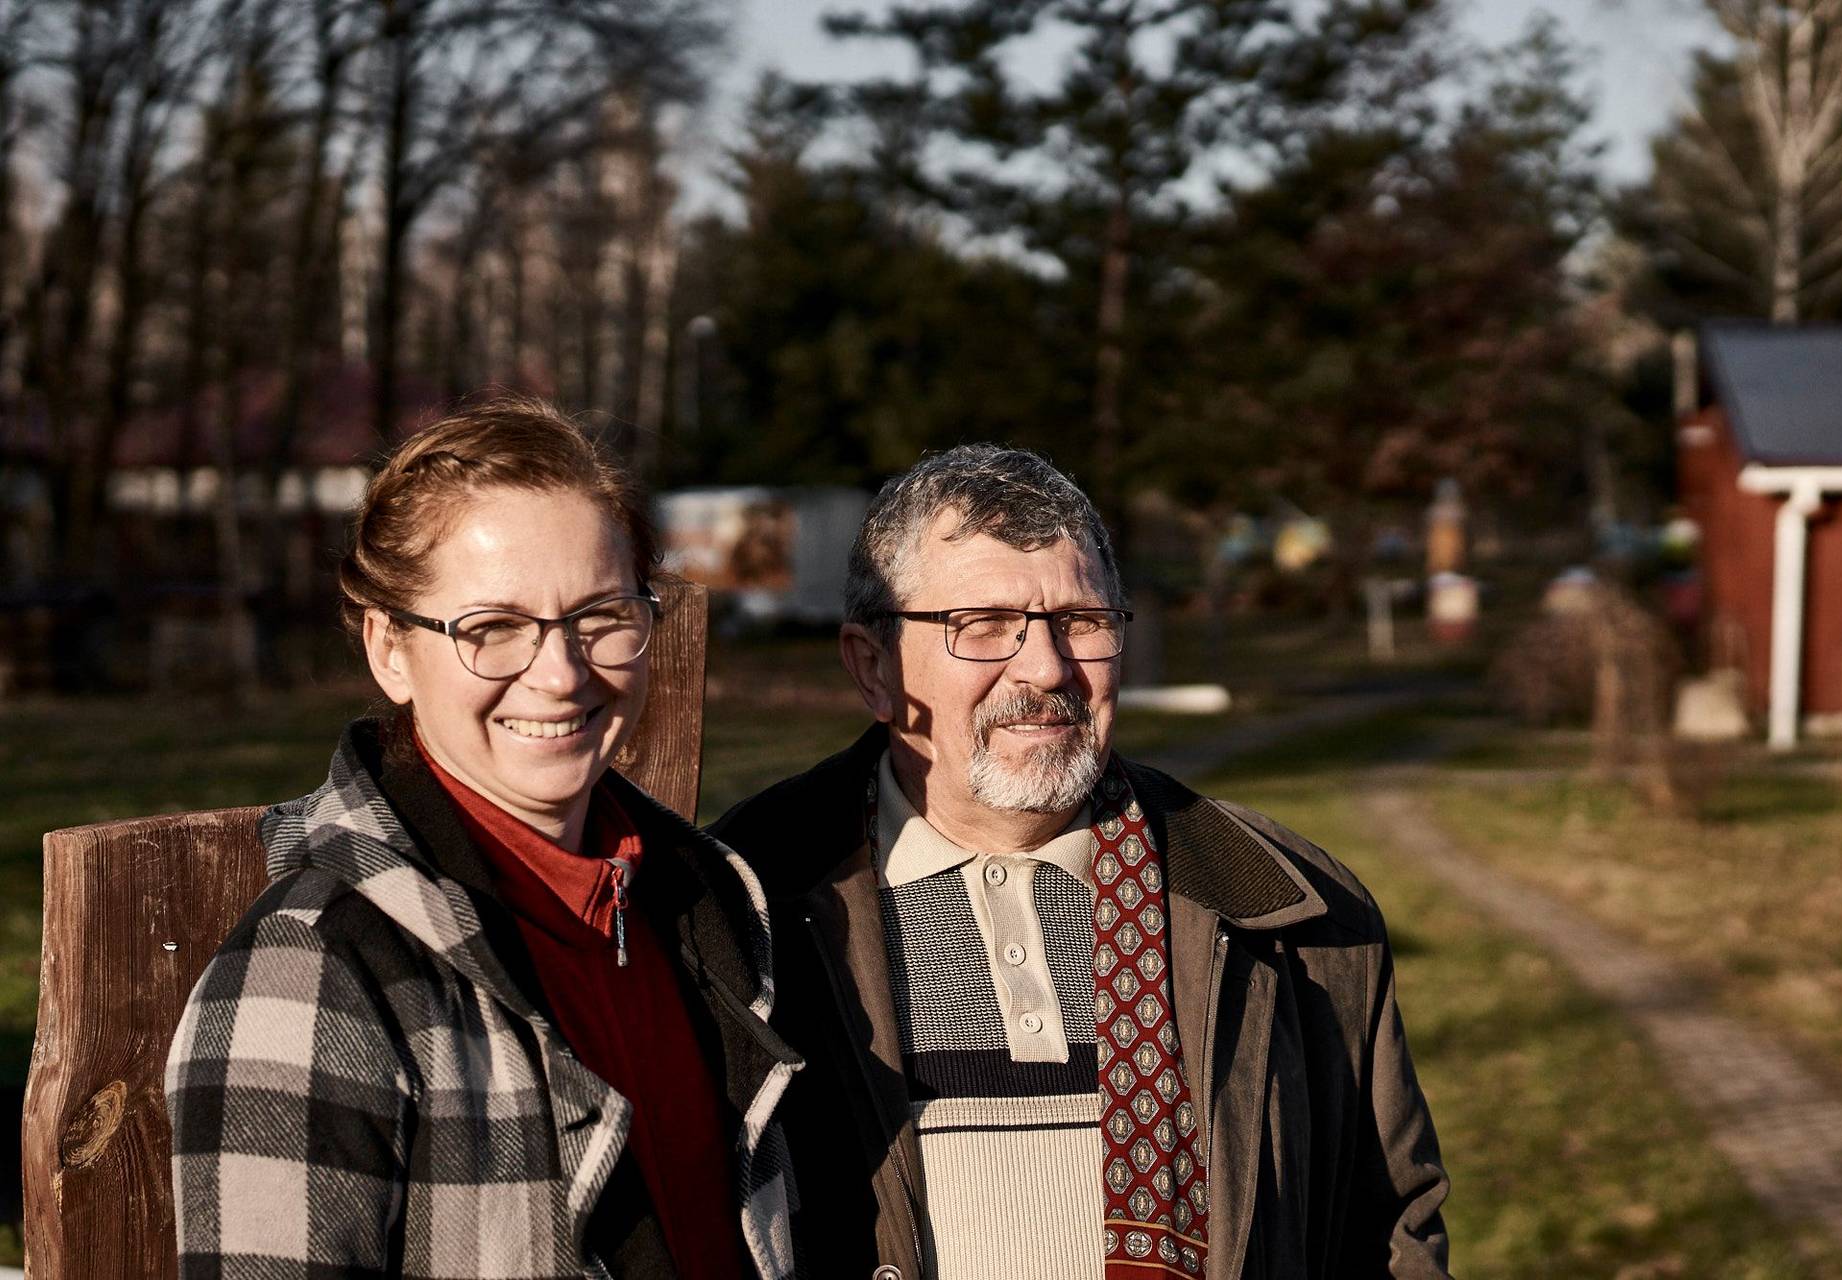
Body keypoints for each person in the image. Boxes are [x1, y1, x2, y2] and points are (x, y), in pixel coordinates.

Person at [709, 445, 1449, 1280]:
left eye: (1082, 621)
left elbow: (1391, 1231)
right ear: (873, 667)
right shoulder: (736, 910)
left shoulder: (1293, 914)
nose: (1047, 667)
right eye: (981, 625)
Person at [166, 398, 799, 1279]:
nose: (561, 672)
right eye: (492, 629)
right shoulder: (315, 974)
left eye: (601, 616)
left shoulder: (702, 905)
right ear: (391, 649)